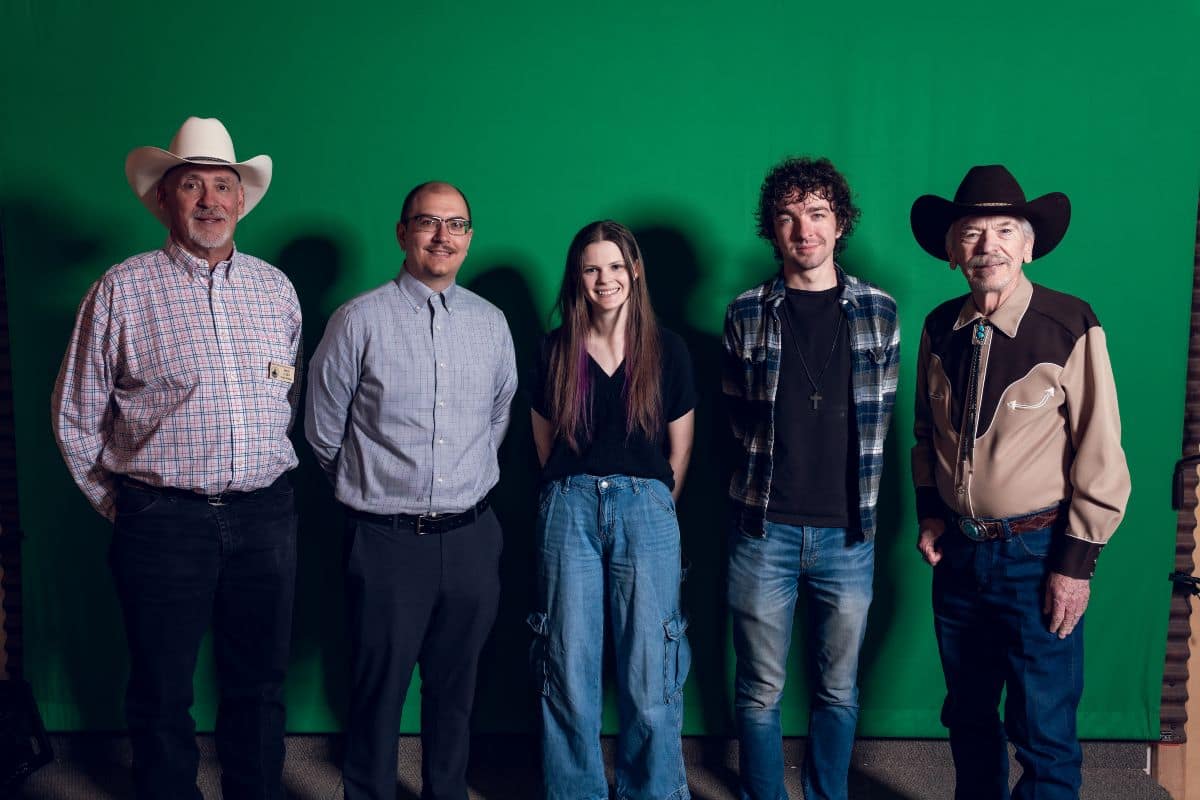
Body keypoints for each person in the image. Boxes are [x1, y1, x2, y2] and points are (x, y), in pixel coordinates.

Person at [51, 117, 300, 800]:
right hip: (162, 522)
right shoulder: (121, 290)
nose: (209, 201)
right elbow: (76, 415)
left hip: (266, 518)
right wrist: (129, 507)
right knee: (161, 689)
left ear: (242, 200)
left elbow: (285, 394)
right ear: (164, 198)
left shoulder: (276, 290)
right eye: (191, 185)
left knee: (258, 682)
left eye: (223, 186)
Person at [910, 165, 1131, 800]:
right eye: (972, 233)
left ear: (1029, 244)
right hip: (959, 553)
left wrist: (1076, 563)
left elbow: (1101, 449)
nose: (990, 247)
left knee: (1043, 730)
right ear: (953, 252)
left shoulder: (1069, 323)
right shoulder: (937, 328)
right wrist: (930, 511)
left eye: (1006, 230)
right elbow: (927, 435)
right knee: (969, 718)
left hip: (1037, 555)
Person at [305, 181, 517, 800]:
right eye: (427, 223)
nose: (442, 237)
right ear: (402, 233)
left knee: (457, 691)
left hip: (474, 538)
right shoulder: (358, 320)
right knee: (378, 690)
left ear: (469, 237)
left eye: (456, 225)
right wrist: (378, 486)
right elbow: (322, 432)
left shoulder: (491, 323)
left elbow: (497, 416)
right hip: (387, 540)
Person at [723, 156, 900, 800]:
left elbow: (886, 426)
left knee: (837, 688)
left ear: (840, 223)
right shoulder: (745, 313)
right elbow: (728, 423)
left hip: (848, 533)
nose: (805, 230)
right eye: (789, 217)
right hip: (762, 527)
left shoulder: (880, 310)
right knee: (760, 688)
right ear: (772, 230)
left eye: (818, 215)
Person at [527, 220, 696, 800]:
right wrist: (584, 492)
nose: (605, 279)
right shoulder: (553, 350)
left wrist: (640, 507)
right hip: (568, 506)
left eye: (616, 266)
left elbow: (679, 453)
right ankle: (574, 791)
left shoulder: (667, 350)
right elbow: (546, 446)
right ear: (578, 276)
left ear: (635, 272)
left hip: (645, 508)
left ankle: (651, 790)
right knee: (567, 663)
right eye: (593, 267)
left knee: (650, 666)